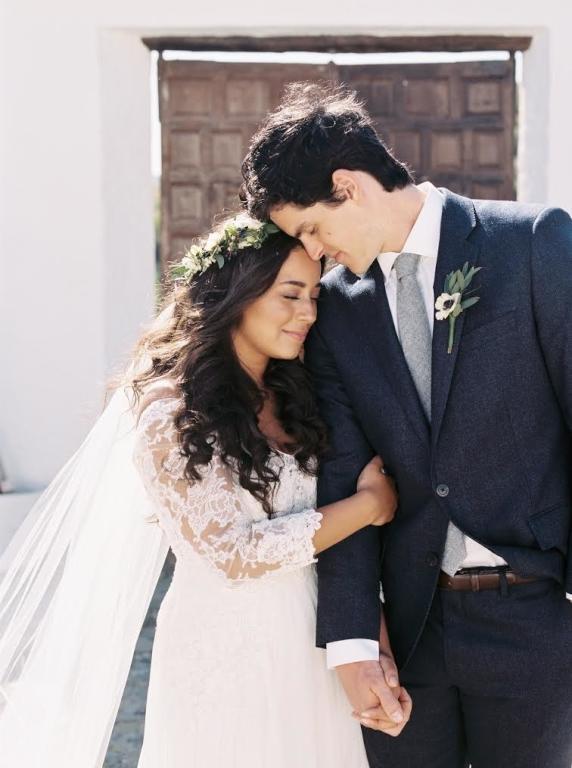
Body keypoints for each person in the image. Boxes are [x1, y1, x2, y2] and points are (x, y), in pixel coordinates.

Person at [241, 81, 572, 768]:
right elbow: (343, 469)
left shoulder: (532, 243)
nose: (315, 251)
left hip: (537, 620)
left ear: (347, 186)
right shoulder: (337, 307)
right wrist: (354, 641)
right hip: (412, 633)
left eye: (311, 228)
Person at [0, 213, 398, 767]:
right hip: (225, 651)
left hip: (311, 641)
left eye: (313, 296)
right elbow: (231, 554)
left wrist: (369, 641)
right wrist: (370, 505)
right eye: (290, 295)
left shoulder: (301, 394)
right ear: (237, 295)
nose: (309, 312)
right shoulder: (170, 411)